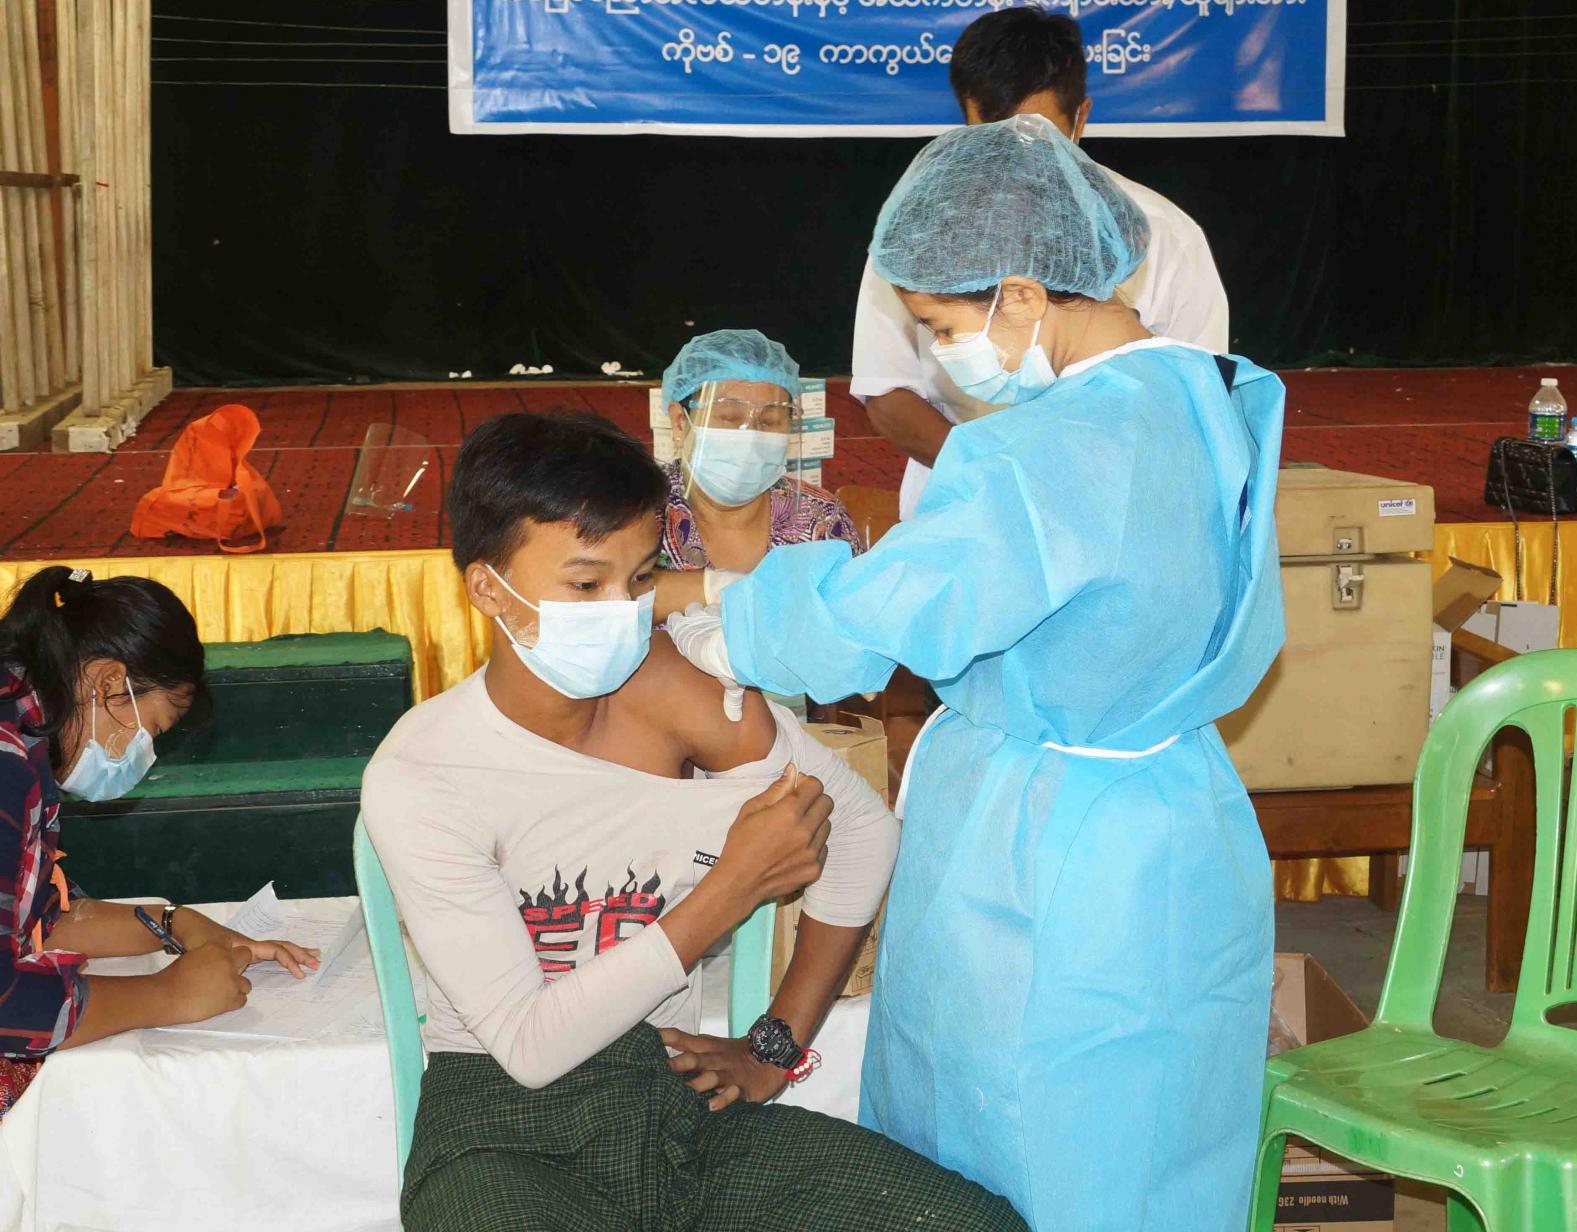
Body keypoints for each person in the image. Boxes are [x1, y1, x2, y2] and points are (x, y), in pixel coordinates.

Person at [668, 115, 1285, 1232]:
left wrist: (728, 621)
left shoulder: (1042, 451)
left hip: (1044, 849)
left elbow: (883, 619)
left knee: (1013, 1136)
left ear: (1023, 294)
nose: (943, 359)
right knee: (1159, 1135)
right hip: (1177, 820)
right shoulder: (1210, 396)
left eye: (943, 327)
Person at [360, 412, 1026, 1232]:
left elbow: (862, 832)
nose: (622, 612)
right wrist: (731, 887)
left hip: (673, 1095)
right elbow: (529, 1047)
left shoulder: (678, 693)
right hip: (501, 1129)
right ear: (488, 588)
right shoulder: (426, 773)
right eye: (585, 585)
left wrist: (775, 1046)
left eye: (641, 579)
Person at [853, 5, 1230, 520]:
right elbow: (885, 388)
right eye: (992, 134)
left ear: (1081, 118)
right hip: (961, 505)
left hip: (1118, 508)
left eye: (1037, 130)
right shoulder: (920, 234)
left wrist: (1078, 486)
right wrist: (994, 475)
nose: (1016, 153)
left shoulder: (1163, 232)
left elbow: (1200, 401)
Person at [0, 567, 318, 1118]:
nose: (144, 756)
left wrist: (174, 923)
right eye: (154, 729)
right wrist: (169, 996)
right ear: (107, 682)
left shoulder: (26, 741)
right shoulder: (6, 764)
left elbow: (39, 917)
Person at [651, 329, 863, 620]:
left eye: (771, 420)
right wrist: (712, 589)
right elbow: (603, 598)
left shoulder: (821, 518)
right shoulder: (636, 508)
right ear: (679, 421)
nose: (750, 436)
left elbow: (856, 616)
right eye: (729, 417)